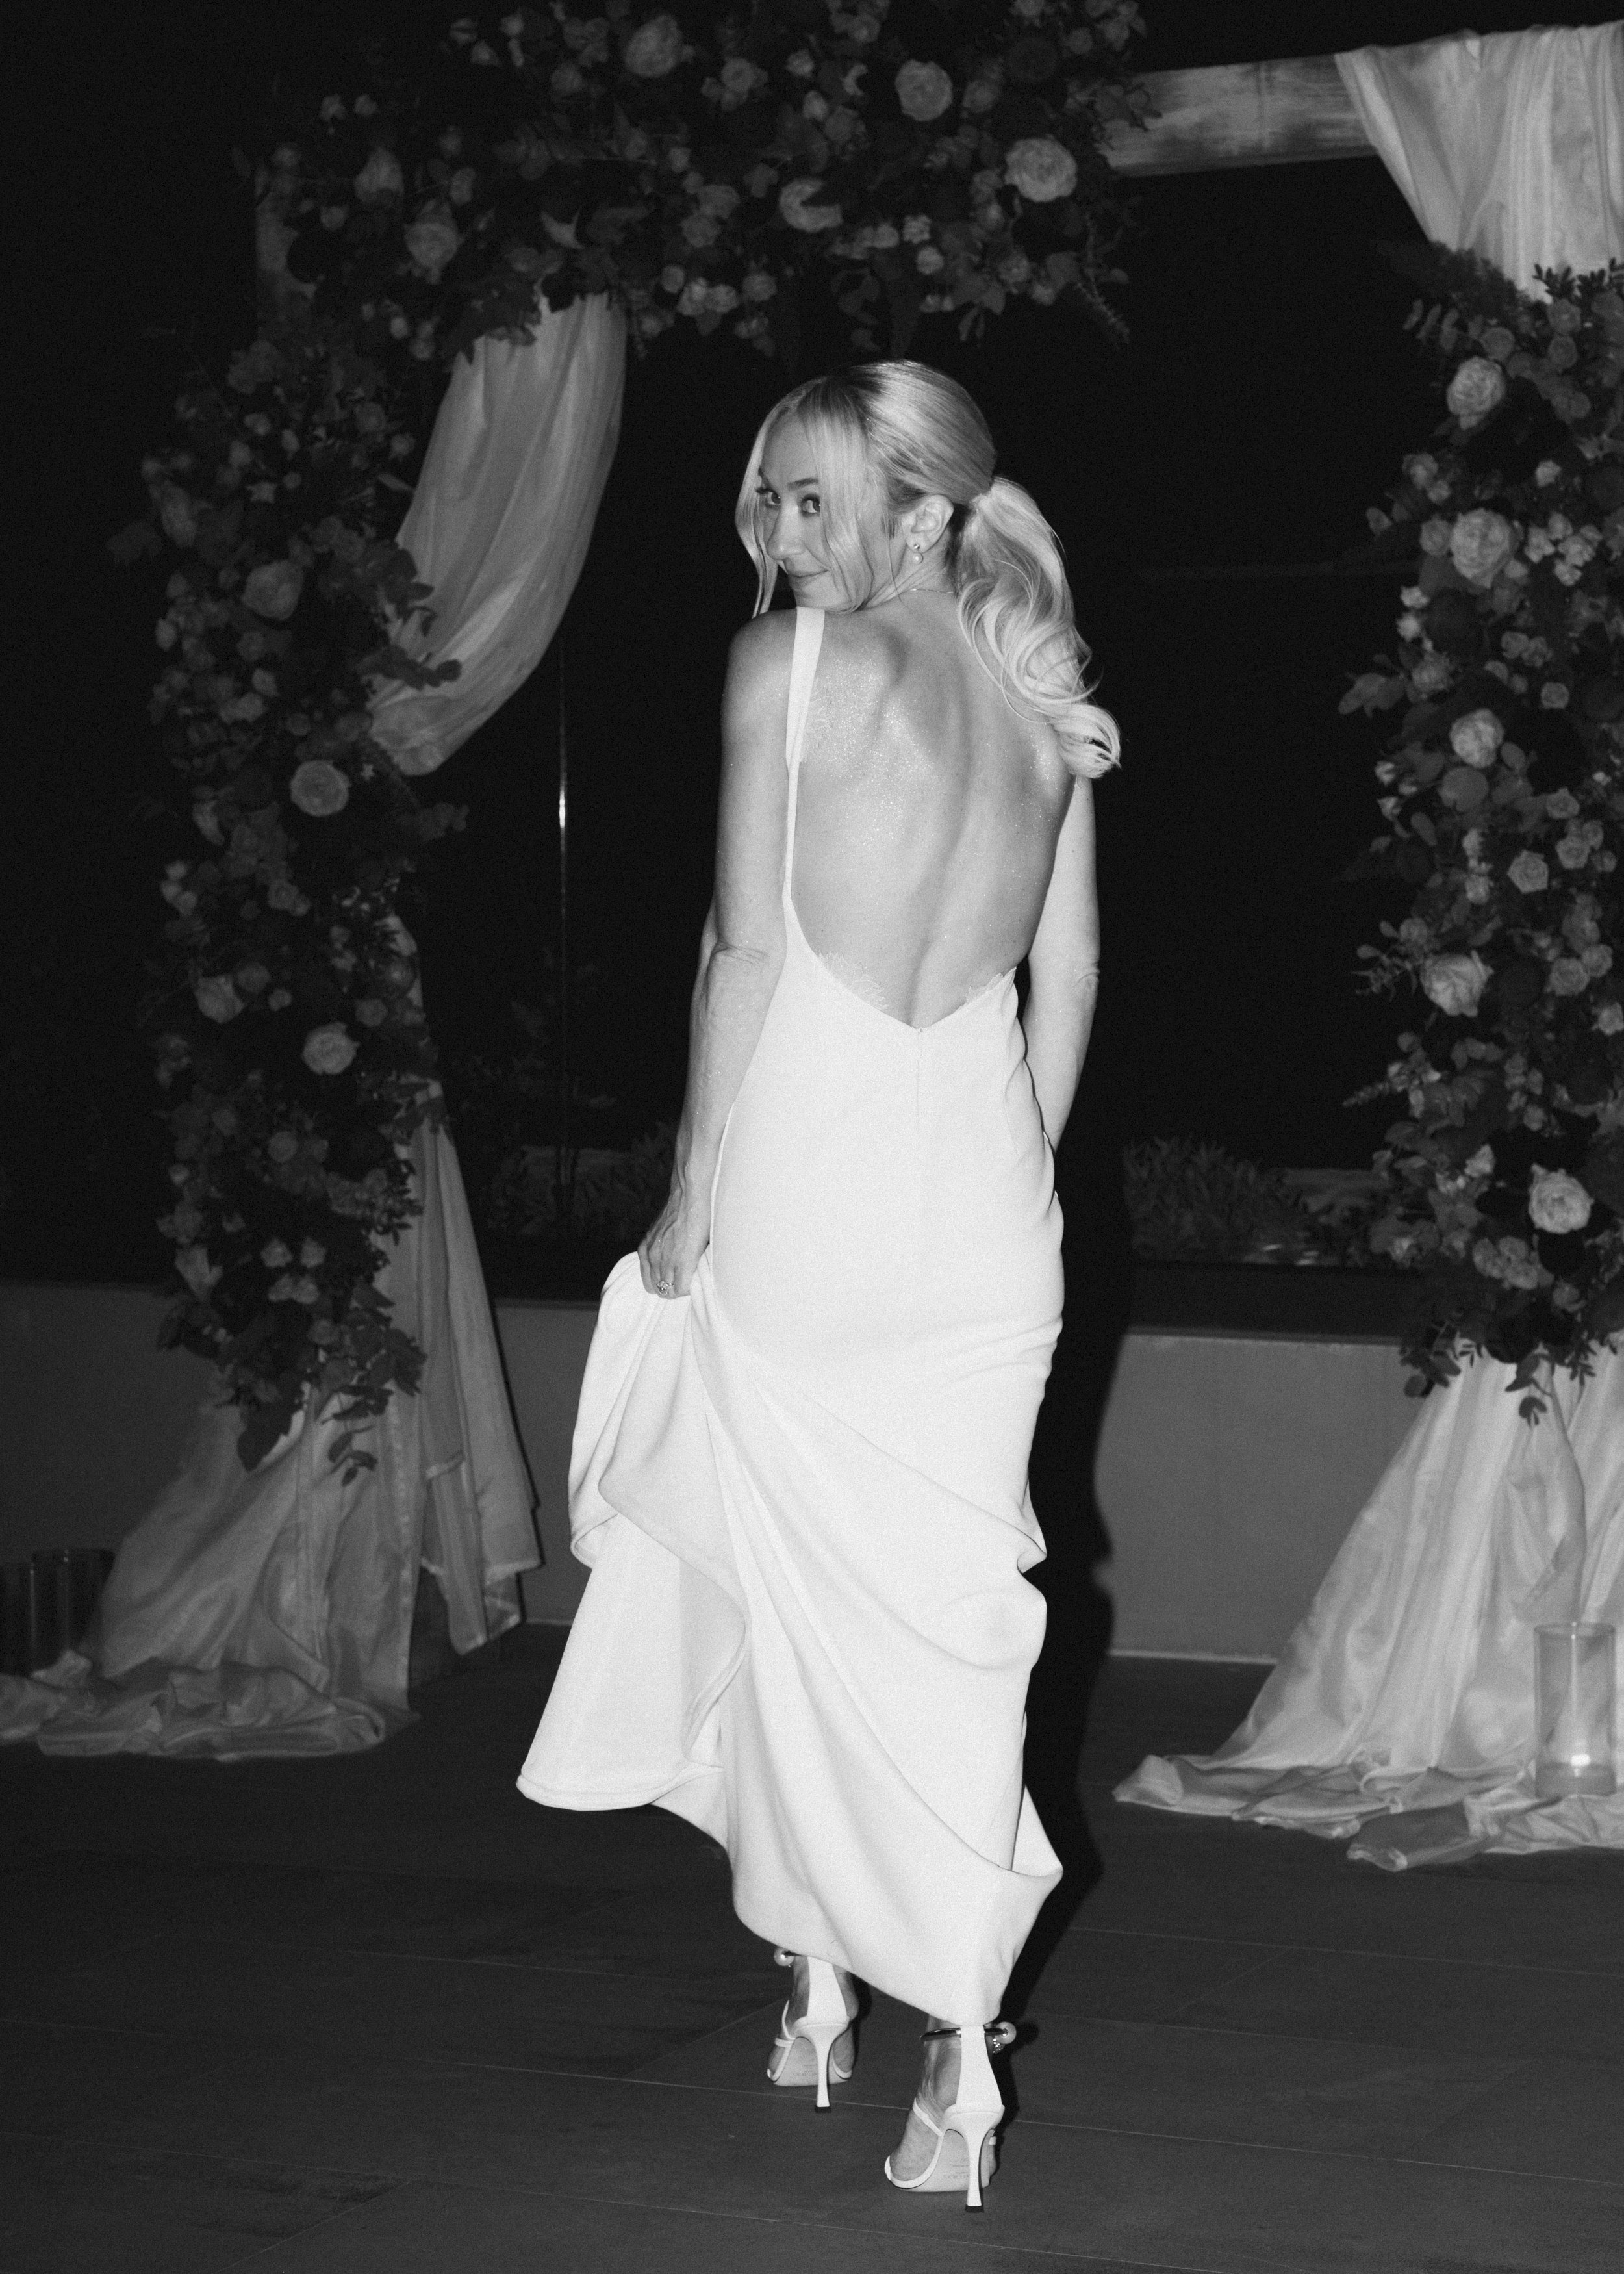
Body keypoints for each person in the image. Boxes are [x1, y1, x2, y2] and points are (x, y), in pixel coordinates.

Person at [518, 359, 1116, 2207]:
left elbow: (742, 958)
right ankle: (937, 2051)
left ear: (920, 508)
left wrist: (689, 1193)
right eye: (764, 497)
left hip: (813, 1169)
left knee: (792, 1596)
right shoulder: (1043, 706)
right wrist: (1004, 1160)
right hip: (988, 1187)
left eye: (811, 499)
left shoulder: (784, 671)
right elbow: (1068, 983)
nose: (775, 535)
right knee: (937, 1620)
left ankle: (826, 1978)